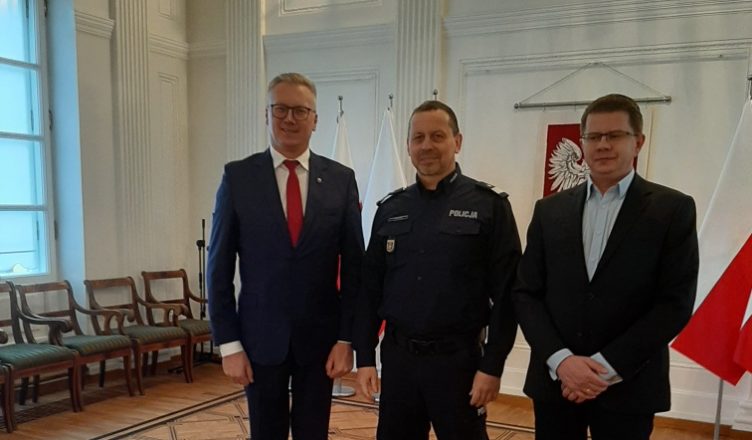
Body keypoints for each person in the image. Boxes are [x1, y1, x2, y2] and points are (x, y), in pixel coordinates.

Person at [513, 94, 699, 440]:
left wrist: (603, 368)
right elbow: (526, 293)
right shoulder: (549, 210)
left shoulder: (672, 210)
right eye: (594, 136)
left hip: (630, 384)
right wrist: (562, 361)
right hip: (556, 382)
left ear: (638, 142)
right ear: (582, 142)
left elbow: (674, 303)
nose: (603, 145)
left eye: (614, 135)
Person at [206, 72, 364, 440]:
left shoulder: (341, 180)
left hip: (321, 343)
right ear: (266, 114)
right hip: (258, 341)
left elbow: (355, 268)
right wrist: (229, 344)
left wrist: (346, 340)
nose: (289, 119)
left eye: (300, 110)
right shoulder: (238, 178)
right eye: (280, 109)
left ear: (315, 119)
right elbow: (218, 269)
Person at [354, 100, 521, 440]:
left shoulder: (489, 206)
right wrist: (365, 357)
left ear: (457, 142)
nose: (426, 145)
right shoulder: (390, 209)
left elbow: (508, 295)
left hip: (459, 363)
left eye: (437, 136)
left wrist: (492, 366)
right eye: (418, 138)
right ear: (408, 146)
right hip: (399, 362)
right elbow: (370, 289)